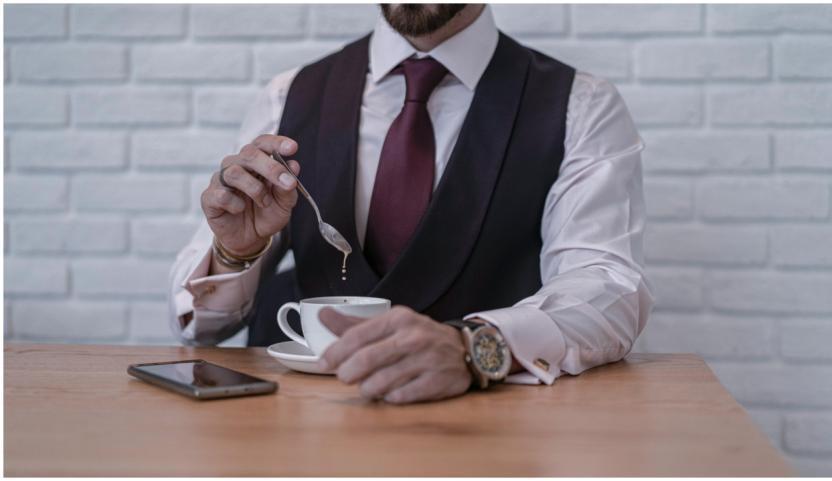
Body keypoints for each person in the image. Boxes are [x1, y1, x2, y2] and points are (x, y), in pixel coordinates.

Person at [169, 4, 654, 404]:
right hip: (300, 428)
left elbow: (608, 288)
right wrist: (234, 252)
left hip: (490, 433)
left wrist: (476, 348)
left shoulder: (582, 105)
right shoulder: (287, 96)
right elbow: (198, 329)